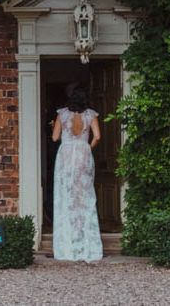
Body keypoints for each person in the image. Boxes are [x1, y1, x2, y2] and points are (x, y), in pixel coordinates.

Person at [51, 86, 103, 262]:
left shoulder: (62, 114)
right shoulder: (90, 115)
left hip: (65, 155)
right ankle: (85, 244)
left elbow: (55, 138)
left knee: (66, 196)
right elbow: (97, 136)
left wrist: (55, 126)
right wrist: (87, 147)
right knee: (84, 197)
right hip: (83, 154)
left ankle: (67, 244)